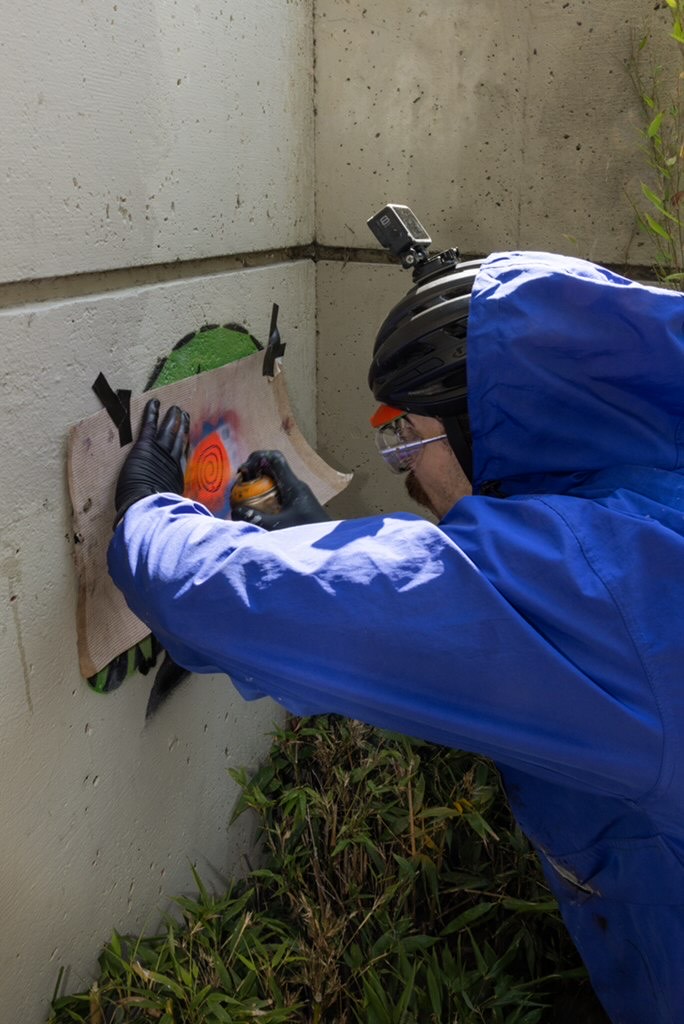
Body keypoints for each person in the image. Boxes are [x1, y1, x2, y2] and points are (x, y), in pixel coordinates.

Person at [108, 244, 684, 1024]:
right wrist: (316, 543)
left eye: (409, 439)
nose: (407, 475)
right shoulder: (651, 501)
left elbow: (227, 600)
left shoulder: (604, 593)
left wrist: (147, 517)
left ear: (492, 430)